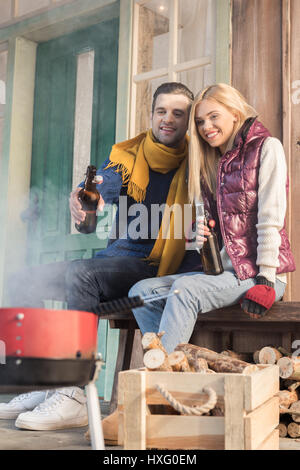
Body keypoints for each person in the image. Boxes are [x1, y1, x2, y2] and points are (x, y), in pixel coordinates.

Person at [0, 82, 194, 437]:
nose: (168, 119)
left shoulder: (197, 163)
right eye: (161, 111)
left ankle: (73, 392)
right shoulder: (126, 156)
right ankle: (41, 382)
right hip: (114, 262)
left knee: (83, 274)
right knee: (21, 279)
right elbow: (98, 195)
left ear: (188, 119)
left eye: (178, 113)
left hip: (154, 266)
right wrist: (83, 203)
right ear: (151, 115)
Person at [129, 83, 296, 356]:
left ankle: (161, 375)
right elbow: (203, 225)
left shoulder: (267, 148)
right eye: (200, 121)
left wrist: (266, 277)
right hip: (220, 274)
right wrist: (196, 236)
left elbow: (270, 219)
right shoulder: (207, 162)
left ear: (234, 112)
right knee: (140, 292)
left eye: (214, 116)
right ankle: (171, 366)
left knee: (185, 289)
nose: (207, 127)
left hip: (257, 273)